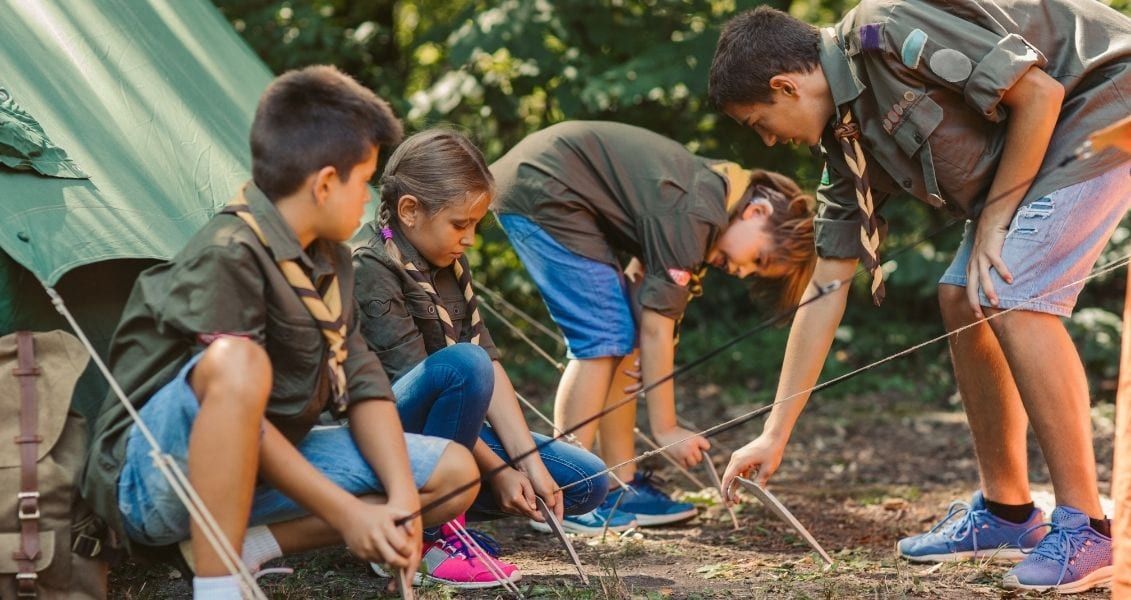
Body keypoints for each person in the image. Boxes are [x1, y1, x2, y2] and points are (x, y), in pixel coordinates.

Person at [709, 2, 1131, 593]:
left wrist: (996, 219)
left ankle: (1088, 529)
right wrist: (774, 432)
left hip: (1106, 93)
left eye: (759, 122)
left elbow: (1037, 95)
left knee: (1013, 288)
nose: (769, 142)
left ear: (785, 85)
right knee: (960, 296)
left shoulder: (883, 31)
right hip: (1049, 133)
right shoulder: (845, 145)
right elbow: (827, 284)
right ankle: (1008, 511)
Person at [81, 66, 478, 600]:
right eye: (364, 181)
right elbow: (235, 402)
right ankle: (218, 589)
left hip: (264, 471)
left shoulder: (331, 257)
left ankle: (249, 545)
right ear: (325, 184)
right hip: (158, 482)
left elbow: (363, 384)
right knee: (237, 362)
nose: (369, 199)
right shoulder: (228, 253)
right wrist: (347, 514)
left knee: (455, 473)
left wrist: (403, 501)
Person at [490, 120, 817, 529]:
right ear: (757, 211)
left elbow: (650, 311)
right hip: (543, 188)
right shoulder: (699, 209)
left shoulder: (714, 198)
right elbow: (657, 327)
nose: (743, 271)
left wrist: (646, 346)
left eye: (755, 272)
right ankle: (563, 492)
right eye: (759, 259)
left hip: (557, 189)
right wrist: (666, 429)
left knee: (622, 336)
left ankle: (616, 484)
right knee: (602, 337)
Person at [351, 128, 617, 584]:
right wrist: (497, 471)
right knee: (463, 366)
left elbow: (488, 361)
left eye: (476, 224)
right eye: (461, 224)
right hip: (382, 435)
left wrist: (529, 465)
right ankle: (426, 532)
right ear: (410, 210)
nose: (470, 239)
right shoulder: (369, 267)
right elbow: (430, 385)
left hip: (446, 431)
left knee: (584, 479)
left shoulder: (447, 260)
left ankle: (448, 511)